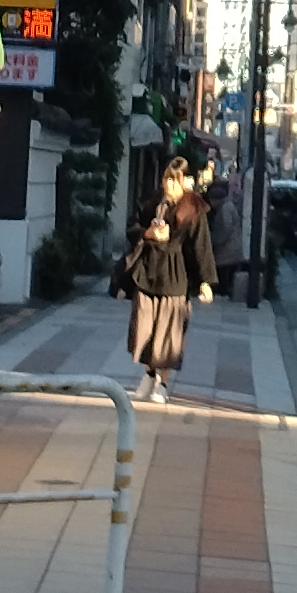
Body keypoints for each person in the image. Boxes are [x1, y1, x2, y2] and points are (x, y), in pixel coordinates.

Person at [118, 156, 216, 406]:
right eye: (167, 179)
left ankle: (161, 383)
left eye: (175, 181)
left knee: (169, 335)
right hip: (148, 272)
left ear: (185, 182)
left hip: (176, 275)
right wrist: (148, 233)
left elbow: (201, 246)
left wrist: (205, 281)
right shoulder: (153, 202)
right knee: (144, 329)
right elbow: (132, 227)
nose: (169, 185)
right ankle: (149, 375)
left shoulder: (193, 207)